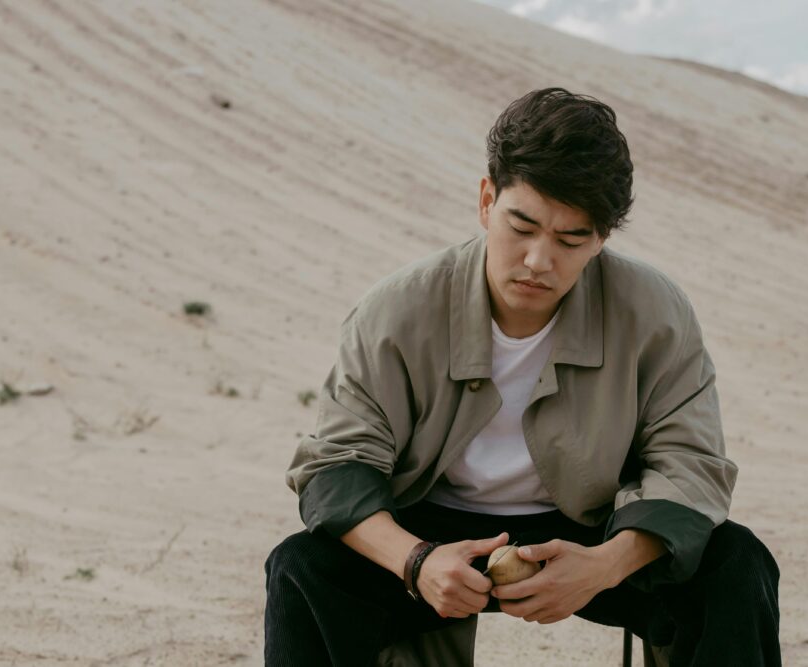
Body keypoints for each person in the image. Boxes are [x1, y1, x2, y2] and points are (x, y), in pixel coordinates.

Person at [264, 87, 781, 666]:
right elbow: (336, 464)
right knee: (303, 567)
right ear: (487, 201)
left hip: (594, 525)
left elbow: (690, 465)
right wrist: (416, 561)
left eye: (570, 239)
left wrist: (604, 566)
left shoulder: (656, 313)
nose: (538, 261)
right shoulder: (395, 311)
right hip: (428, 527)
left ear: (602, 238)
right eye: (522, 226)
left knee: (736, 563)